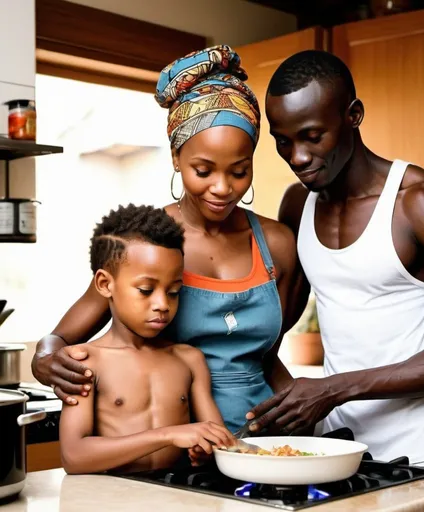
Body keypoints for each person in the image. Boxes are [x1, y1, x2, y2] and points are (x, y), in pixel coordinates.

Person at [31, 45, 296, 433]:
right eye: (203, 170)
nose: (222, 188)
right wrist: (45, 357)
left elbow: (265, 357)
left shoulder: (277, 243)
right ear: (176, 158)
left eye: (239, 171)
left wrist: (310, 413)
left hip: (269, 440)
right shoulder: (148, 243)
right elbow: (60, 339)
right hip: (174, 447)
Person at [247, 50, 424, 465]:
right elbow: (274, 322)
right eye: (283, 142)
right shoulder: (297, 206)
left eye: (312, 136)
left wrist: (333, 388)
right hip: (337, 447)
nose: (298, 158)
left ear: (353, 115)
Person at [59, 204, 236, 474]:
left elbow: (220, 443)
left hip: (178, 496)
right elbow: (74, 457)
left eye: (174, 292)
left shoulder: (189, 360)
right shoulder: (85, 362)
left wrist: (205, 451)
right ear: (105, 284)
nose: (162, 304)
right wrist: (167, 435)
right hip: (113, 499)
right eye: (146, 290)